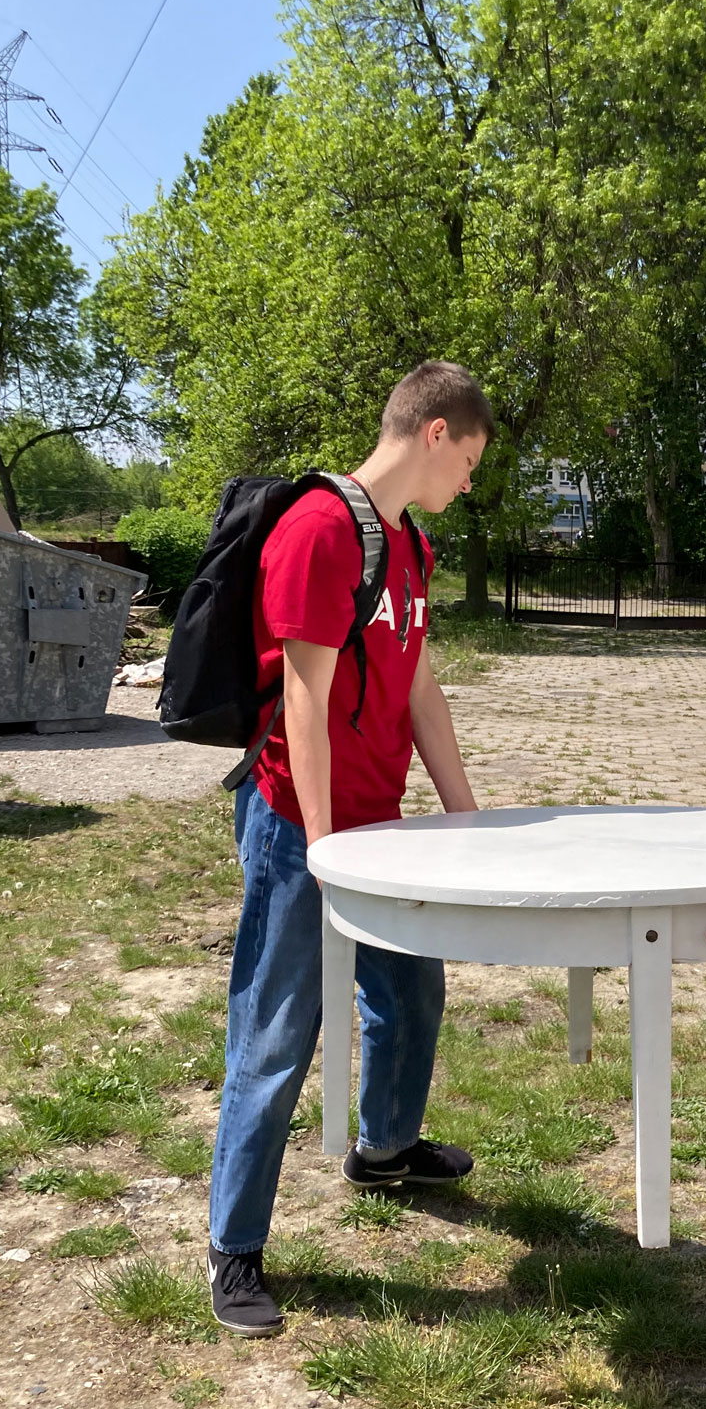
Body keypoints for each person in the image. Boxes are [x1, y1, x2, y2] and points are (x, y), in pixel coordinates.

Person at [206, 360, 494, 1337]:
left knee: (410, 993)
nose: (469, 485)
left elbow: (418, 689)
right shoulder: (320, 529)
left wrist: (465, 816)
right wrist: (327, 850)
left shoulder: (407, 544)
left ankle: (385, 1149)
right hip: (301, 827)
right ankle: (235, 1247)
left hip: (379, 827)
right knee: (279, 1029)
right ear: (436, 433)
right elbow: (304, 696)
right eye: (470, 463)